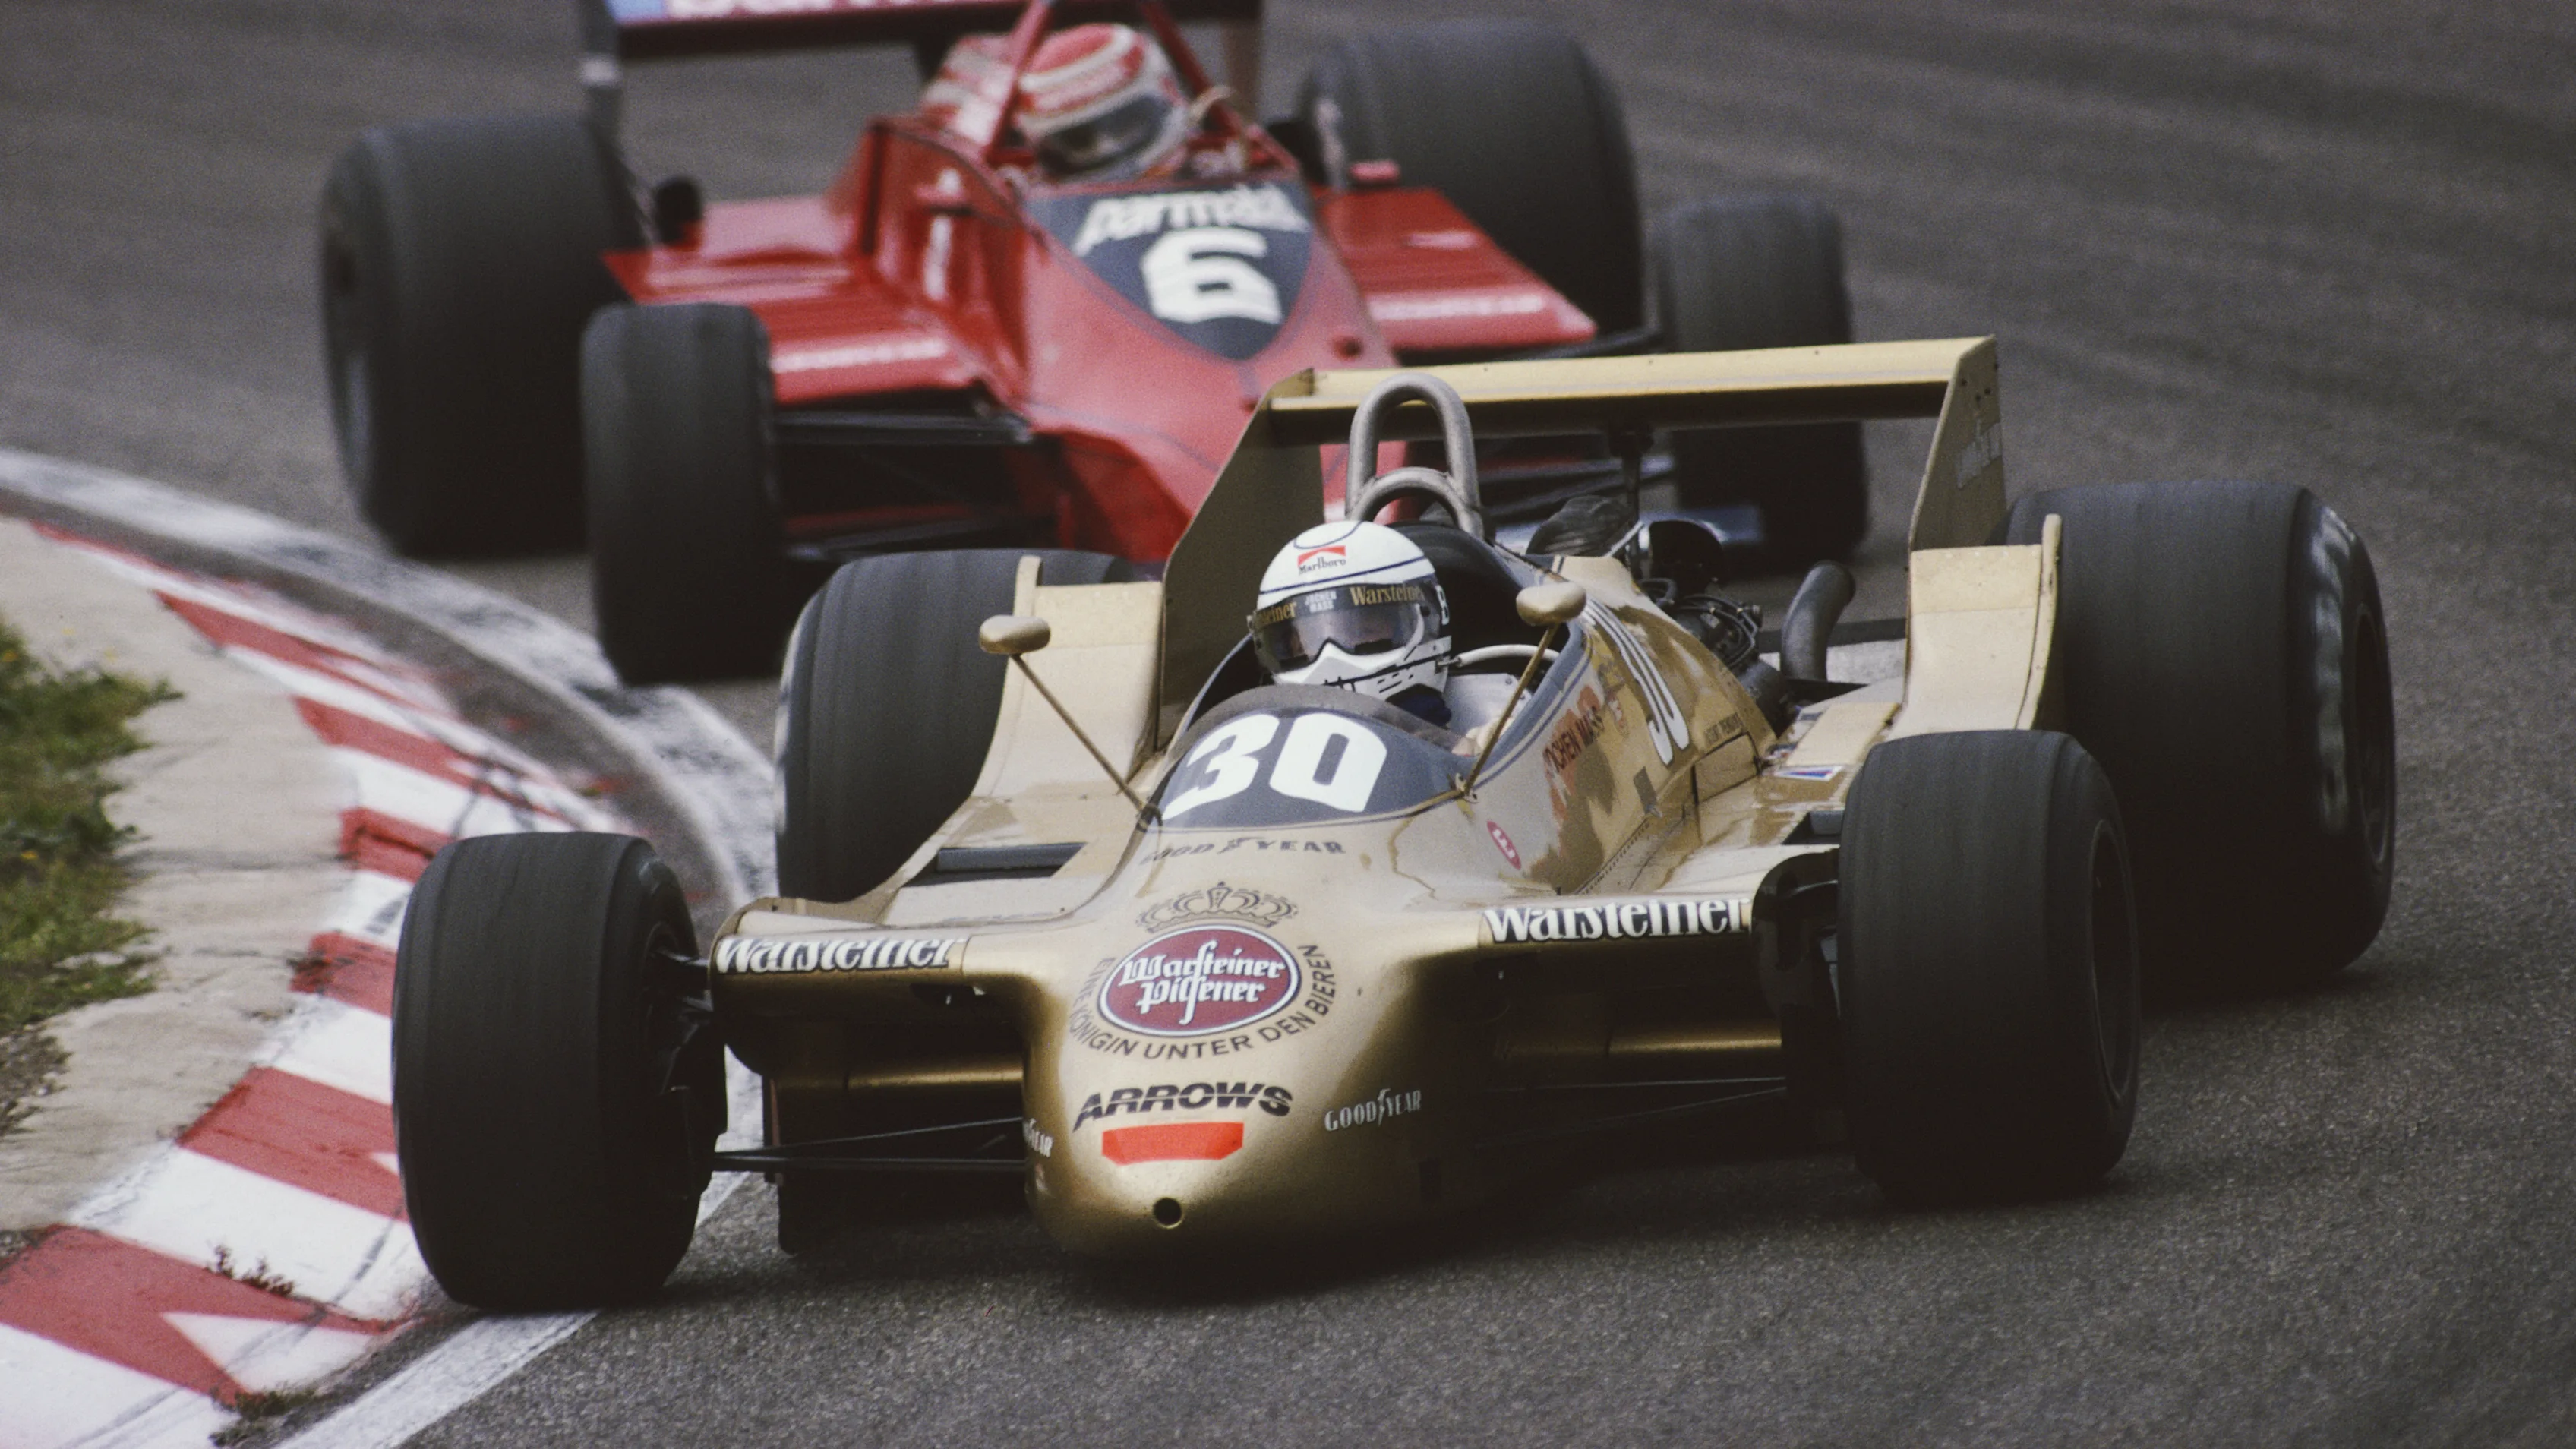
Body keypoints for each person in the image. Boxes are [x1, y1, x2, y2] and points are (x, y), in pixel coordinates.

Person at [1248, 521, 1454, 725]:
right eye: (1304, 643)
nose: (1330, 659)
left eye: (1362, 632)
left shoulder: (1478, 738)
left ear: (1432, 616)